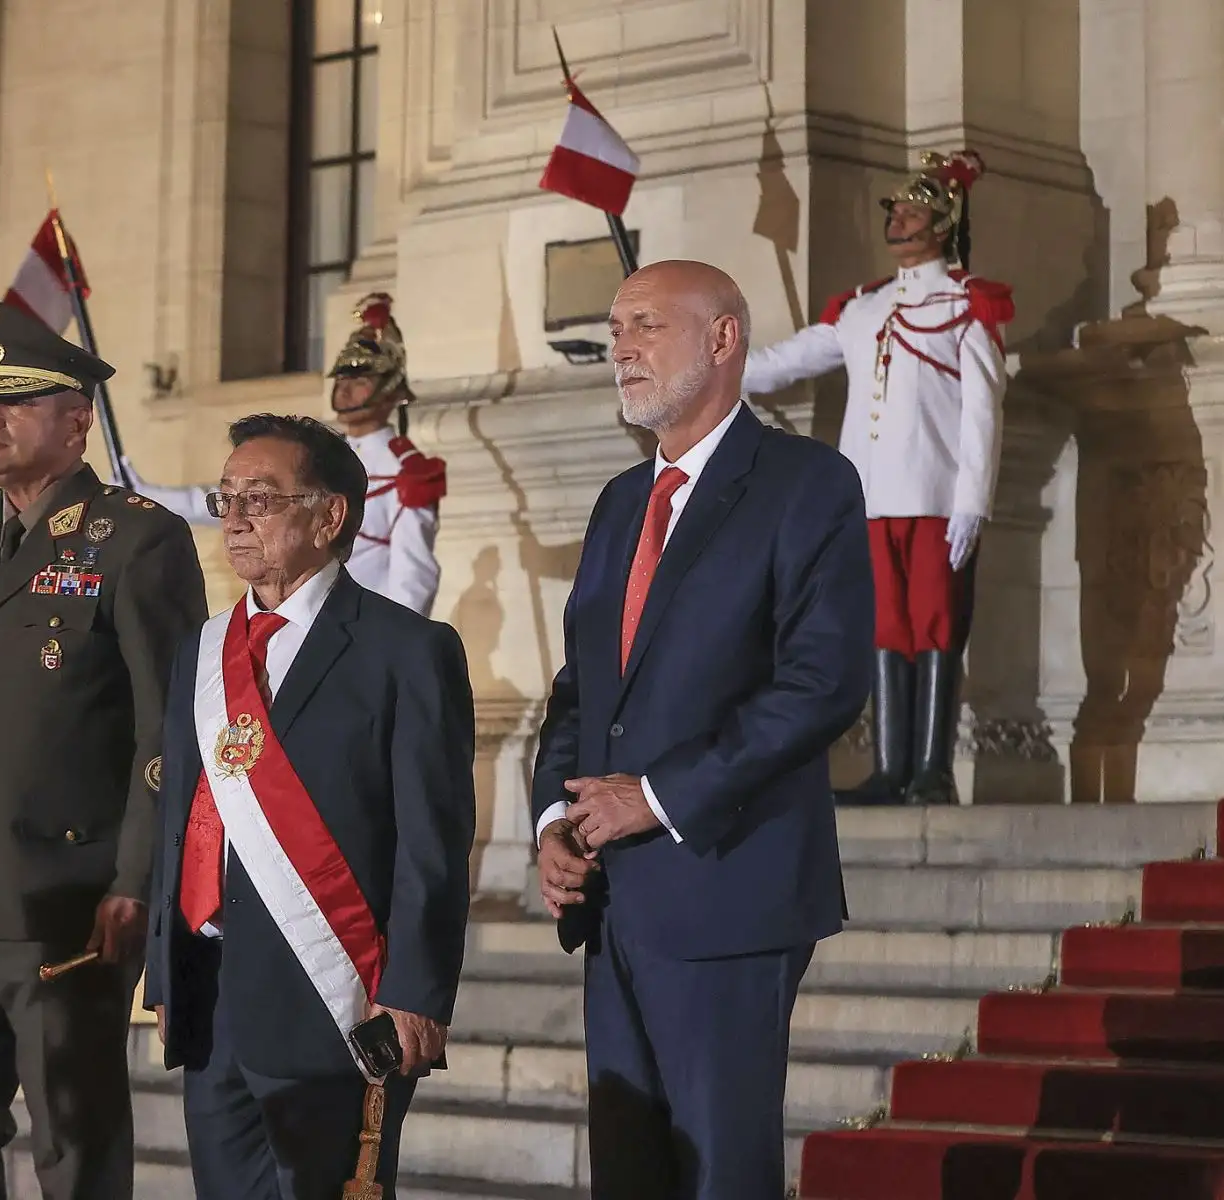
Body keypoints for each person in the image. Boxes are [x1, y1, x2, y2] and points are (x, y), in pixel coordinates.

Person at [533, 261, 874, 1200]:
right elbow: (579, 691)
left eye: (646, 324)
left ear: (725, 339)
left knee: (722, 1176)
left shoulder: (806, 483)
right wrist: (551, 823)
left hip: (730, 886)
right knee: (632, 1177)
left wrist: (658, 793)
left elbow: (822, 683)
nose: (622, 347)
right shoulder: (616, 505)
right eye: (615, 328)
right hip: (612, 902)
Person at [0, 301, 208, 1200]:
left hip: (69, 896)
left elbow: (165, 730)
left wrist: (138, 880)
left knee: (74, 1138)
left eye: (14, 402)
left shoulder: (136, 538)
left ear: (75, 421)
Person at [143, 414, 477, 1199]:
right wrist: (167, 973)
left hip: (337, 995)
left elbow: (434, 840)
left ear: (330, 517)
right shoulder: (203, 648)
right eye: (225, 499)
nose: (234, 519)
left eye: (259, 498)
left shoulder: (406, 650)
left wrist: (418, 992)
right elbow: (181, 817)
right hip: (214, 1001)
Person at [742, 149, 1013, 805]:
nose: (898, 222)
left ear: (942, 224)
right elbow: (784, 362)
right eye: (895, 212)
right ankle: (893, 770)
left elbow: (982, 412)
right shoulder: (862, 309)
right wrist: (705, 364)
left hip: (934, 494)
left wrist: (971, 501)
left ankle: (933, 769)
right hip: (867, 495)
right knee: (886, 627)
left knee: (937, 624)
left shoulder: (964, 305)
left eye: (912, 211)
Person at [123, 294, 447, 615]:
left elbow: (413, 576)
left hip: (364, 625)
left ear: (392, 388)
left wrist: (391, 644)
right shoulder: (315, 450)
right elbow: (220, 500)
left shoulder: (407, 471)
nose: (345, 390)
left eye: (360, 380)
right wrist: (140, 493)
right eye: (342, 379)